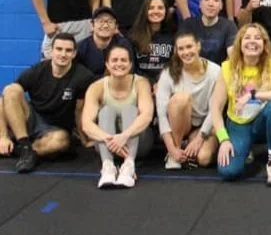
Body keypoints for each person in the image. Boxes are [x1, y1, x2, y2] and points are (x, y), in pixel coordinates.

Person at [1, 33, 94, 173]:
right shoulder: (37, 71)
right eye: (59, 49)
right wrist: (2, 137)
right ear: (51, 51)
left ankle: (23, 150)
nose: (63, 54)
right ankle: (23, 146)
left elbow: (79, 110)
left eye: (68, 50)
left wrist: (84, 138)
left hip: (55, 128)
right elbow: (4, 99)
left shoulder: (83, 76)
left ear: (74, 54)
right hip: (31, 118)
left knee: (60, 141)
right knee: (11, 90)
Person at [210, 23, 271, 183]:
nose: (252, 41)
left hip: (262, 122)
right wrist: (223, 139)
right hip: (239, 124)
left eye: (257, 38)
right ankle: (246, 149)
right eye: (247, 38)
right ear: (239, 44)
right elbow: (215, 107)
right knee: (228, 171)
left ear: (264, 44)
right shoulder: (227, 68)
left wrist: (252, 95)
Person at [80, 44, 155, 188]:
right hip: (107, 146)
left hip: (138, 143)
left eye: (123, 60)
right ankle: (107, 167)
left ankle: (129, 166)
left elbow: (147, 116)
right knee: (106, 111)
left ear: (130, 64)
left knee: (130, 109)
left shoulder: (141, 83)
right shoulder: (96, 87)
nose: (119, 64)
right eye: (114, 60)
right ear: (107, 64)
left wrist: (124, 136)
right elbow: (86, 124)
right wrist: (110, 140)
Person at [156, 31, 220, 170]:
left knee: (204, 158)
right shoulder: (168, 72)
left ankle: (189, 145)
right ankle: (176, 150)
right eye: (181, 49)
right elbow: (161, 114)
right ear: (176, 51)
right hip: (179, 124)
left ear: (198, 46)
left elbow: (215, 110)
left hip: (203, 126)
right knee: (181, 98)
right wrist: (171, 148)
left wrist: (199, 138)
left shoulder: (216, 72)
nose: (186, 52)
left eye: (189, 46)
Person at [181, 0, 237, 65]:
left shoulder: (229, 26)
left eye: (216, 0)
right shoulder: (188, 24)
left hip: (219, 70)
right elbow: (181, 52)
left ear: (221, 5)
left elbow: (233, 54)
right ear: (200, 4)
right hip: (192, 68)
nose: (211, 4)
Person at [130, 0, 175, 86]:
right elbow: (131, 67)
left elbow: (174, 66)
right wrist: (149, 83)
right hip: (139, 84)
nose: (156, 11)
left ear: (166, 11)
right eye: (151, 8)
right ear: (145, 11)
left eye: (160, 8)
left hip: (166, 83)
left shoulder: (173, 35)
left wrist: (162, 83)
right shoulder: (133, 36)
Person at [76, 7, 133, 77]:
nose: (105, 25)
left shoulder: (123, 44)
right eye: (101, 21)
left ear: (116, 27)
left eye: (110, 22)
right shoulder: (81, 47)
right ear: (92, 25)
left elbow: (130, 71)